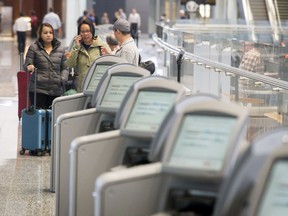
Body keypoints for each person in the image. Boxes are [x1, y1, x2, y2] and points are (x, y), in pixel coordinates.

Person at [23, 23, 68, 109]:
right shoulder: (33, 48)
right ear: (40, 34)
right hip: (38, 89)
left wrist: (62, 79)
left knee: (53, 118)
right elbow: (27, 64)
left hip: (56, 90)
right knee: (39, 118)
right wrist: (29, 66)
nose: (48, 35)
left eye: (50, 32)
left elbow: (65, 67)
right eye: (45, 33)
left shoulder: (60, 49)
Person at [66, 19, 110, 92]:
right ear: (79, 33)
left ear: (92, 31)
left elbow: (111, 65)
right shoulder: (76, 47)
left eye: (88, 31)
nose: (85, 34)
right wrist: (76, 47)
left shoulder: (102, 46)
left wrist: (107, 55)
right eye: (82, 31)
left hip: (98, 89)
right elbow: (70, 64)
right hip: (82, 89)